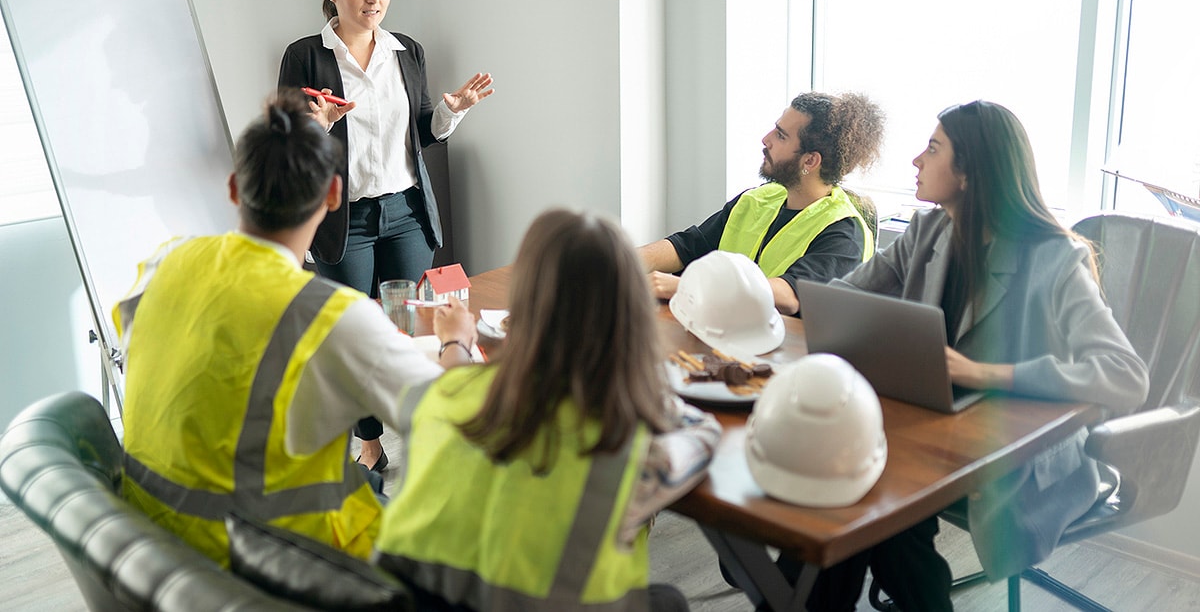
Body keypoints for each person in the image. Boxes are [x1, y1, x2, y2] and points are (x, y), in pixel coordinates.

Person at [782, 100, 1150, 610]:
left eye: (932, 149)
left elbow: (1126, 376)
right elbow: (838, 299)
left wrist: (985, 373)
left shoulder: (1055, 259)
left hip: (1018, 460)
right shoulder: (928, 231)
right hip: (931, 435)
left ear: (970, 173)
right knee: (857, 494)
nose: (915, 160)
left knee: (868, 500)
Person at [114, 89, 479, 567]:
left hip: (159, 552)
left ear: (233, 188)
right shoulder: (330, 315)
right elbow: (454, 414)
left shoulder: (166, 261)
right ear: (333, 194)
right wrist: (456, 339)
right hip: (279, 568)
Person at [372, 209, 723, 611]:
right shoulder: (630, 450)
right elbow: (704, 436)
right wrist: (641, 383)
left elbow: (459, 386)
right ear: (630, 318)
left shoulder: (433, 396)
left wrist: (457, 345)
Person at [278, 0, 494, 472]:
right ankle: (368, 440)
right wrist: (319, 125)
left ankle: (429, 435)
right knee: (354, 338)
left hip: (405, 213)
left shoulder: (407, 51)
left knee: (416, 330)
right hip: (343, 221)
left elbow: (422, 133)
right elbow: (286, 141)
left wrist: (452, 110)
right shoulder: (305, 55)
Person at [639, 91, 885, 316]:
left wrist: (691, 287)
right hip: (726, 333)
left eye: (781, 136)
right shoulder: (758, 199)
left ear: (810, 161)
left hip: (785, 352)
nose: (766, 140)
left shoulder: (844, 232)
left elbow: (789, 295)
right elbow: (688, 246)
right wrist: (624, 260)